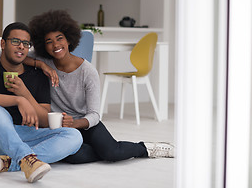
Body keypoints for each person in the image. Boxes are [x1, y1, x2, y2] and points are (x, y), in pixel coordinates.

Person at [26, 10, 174, 164]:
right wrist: (41, 64)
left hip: (85, 123)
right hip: (63, 128)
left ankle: (146, 148)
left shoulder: (87, 71)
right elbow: (17, 56)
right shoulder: (44, 60)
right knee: (73, 156)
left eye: (59, 38)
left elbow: (95, 115)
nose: (55, 45)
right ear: (44, 46)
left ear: (69, 40)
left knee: (111, 152)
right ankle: (99, 149)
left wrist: (75, 123)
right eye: (49, 41)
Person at [0, 22, 83, 183]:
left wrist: (26, 95)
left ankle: (9, 162)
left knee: (74, 136)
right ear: (3, 43)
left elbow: (44, 121)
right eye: (15, 41)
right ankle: (25, 158)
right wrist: (18, 100)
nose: (21, 46)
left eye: (26, 44)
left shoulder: (38, 77)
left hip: (22, 136)